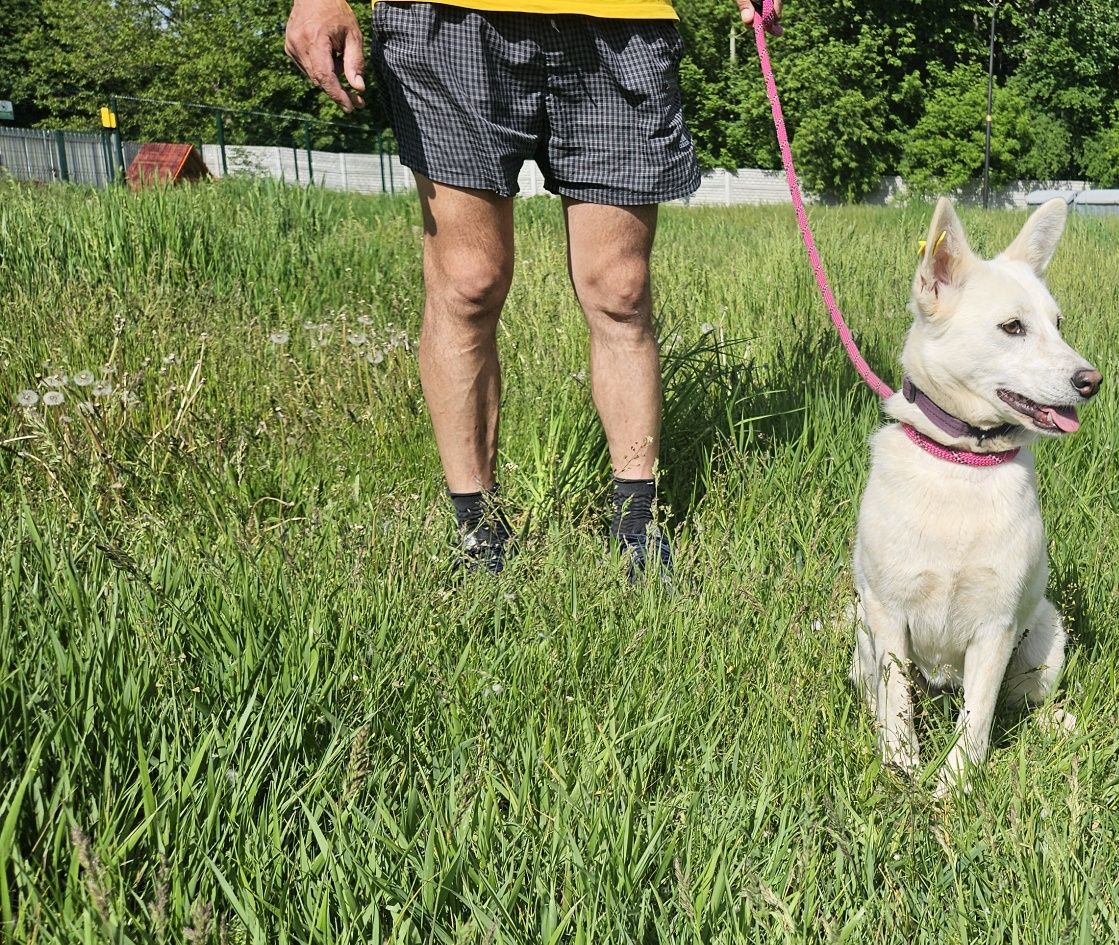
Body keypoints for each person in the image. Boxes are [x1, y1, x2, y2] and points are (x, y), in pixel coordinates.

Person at [283, 0, 781, 575]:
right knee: (468, 281)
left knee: (621, 289)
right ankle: (478, 531)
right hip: (451, 21)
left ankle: (637, 526)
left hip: (622, 21)